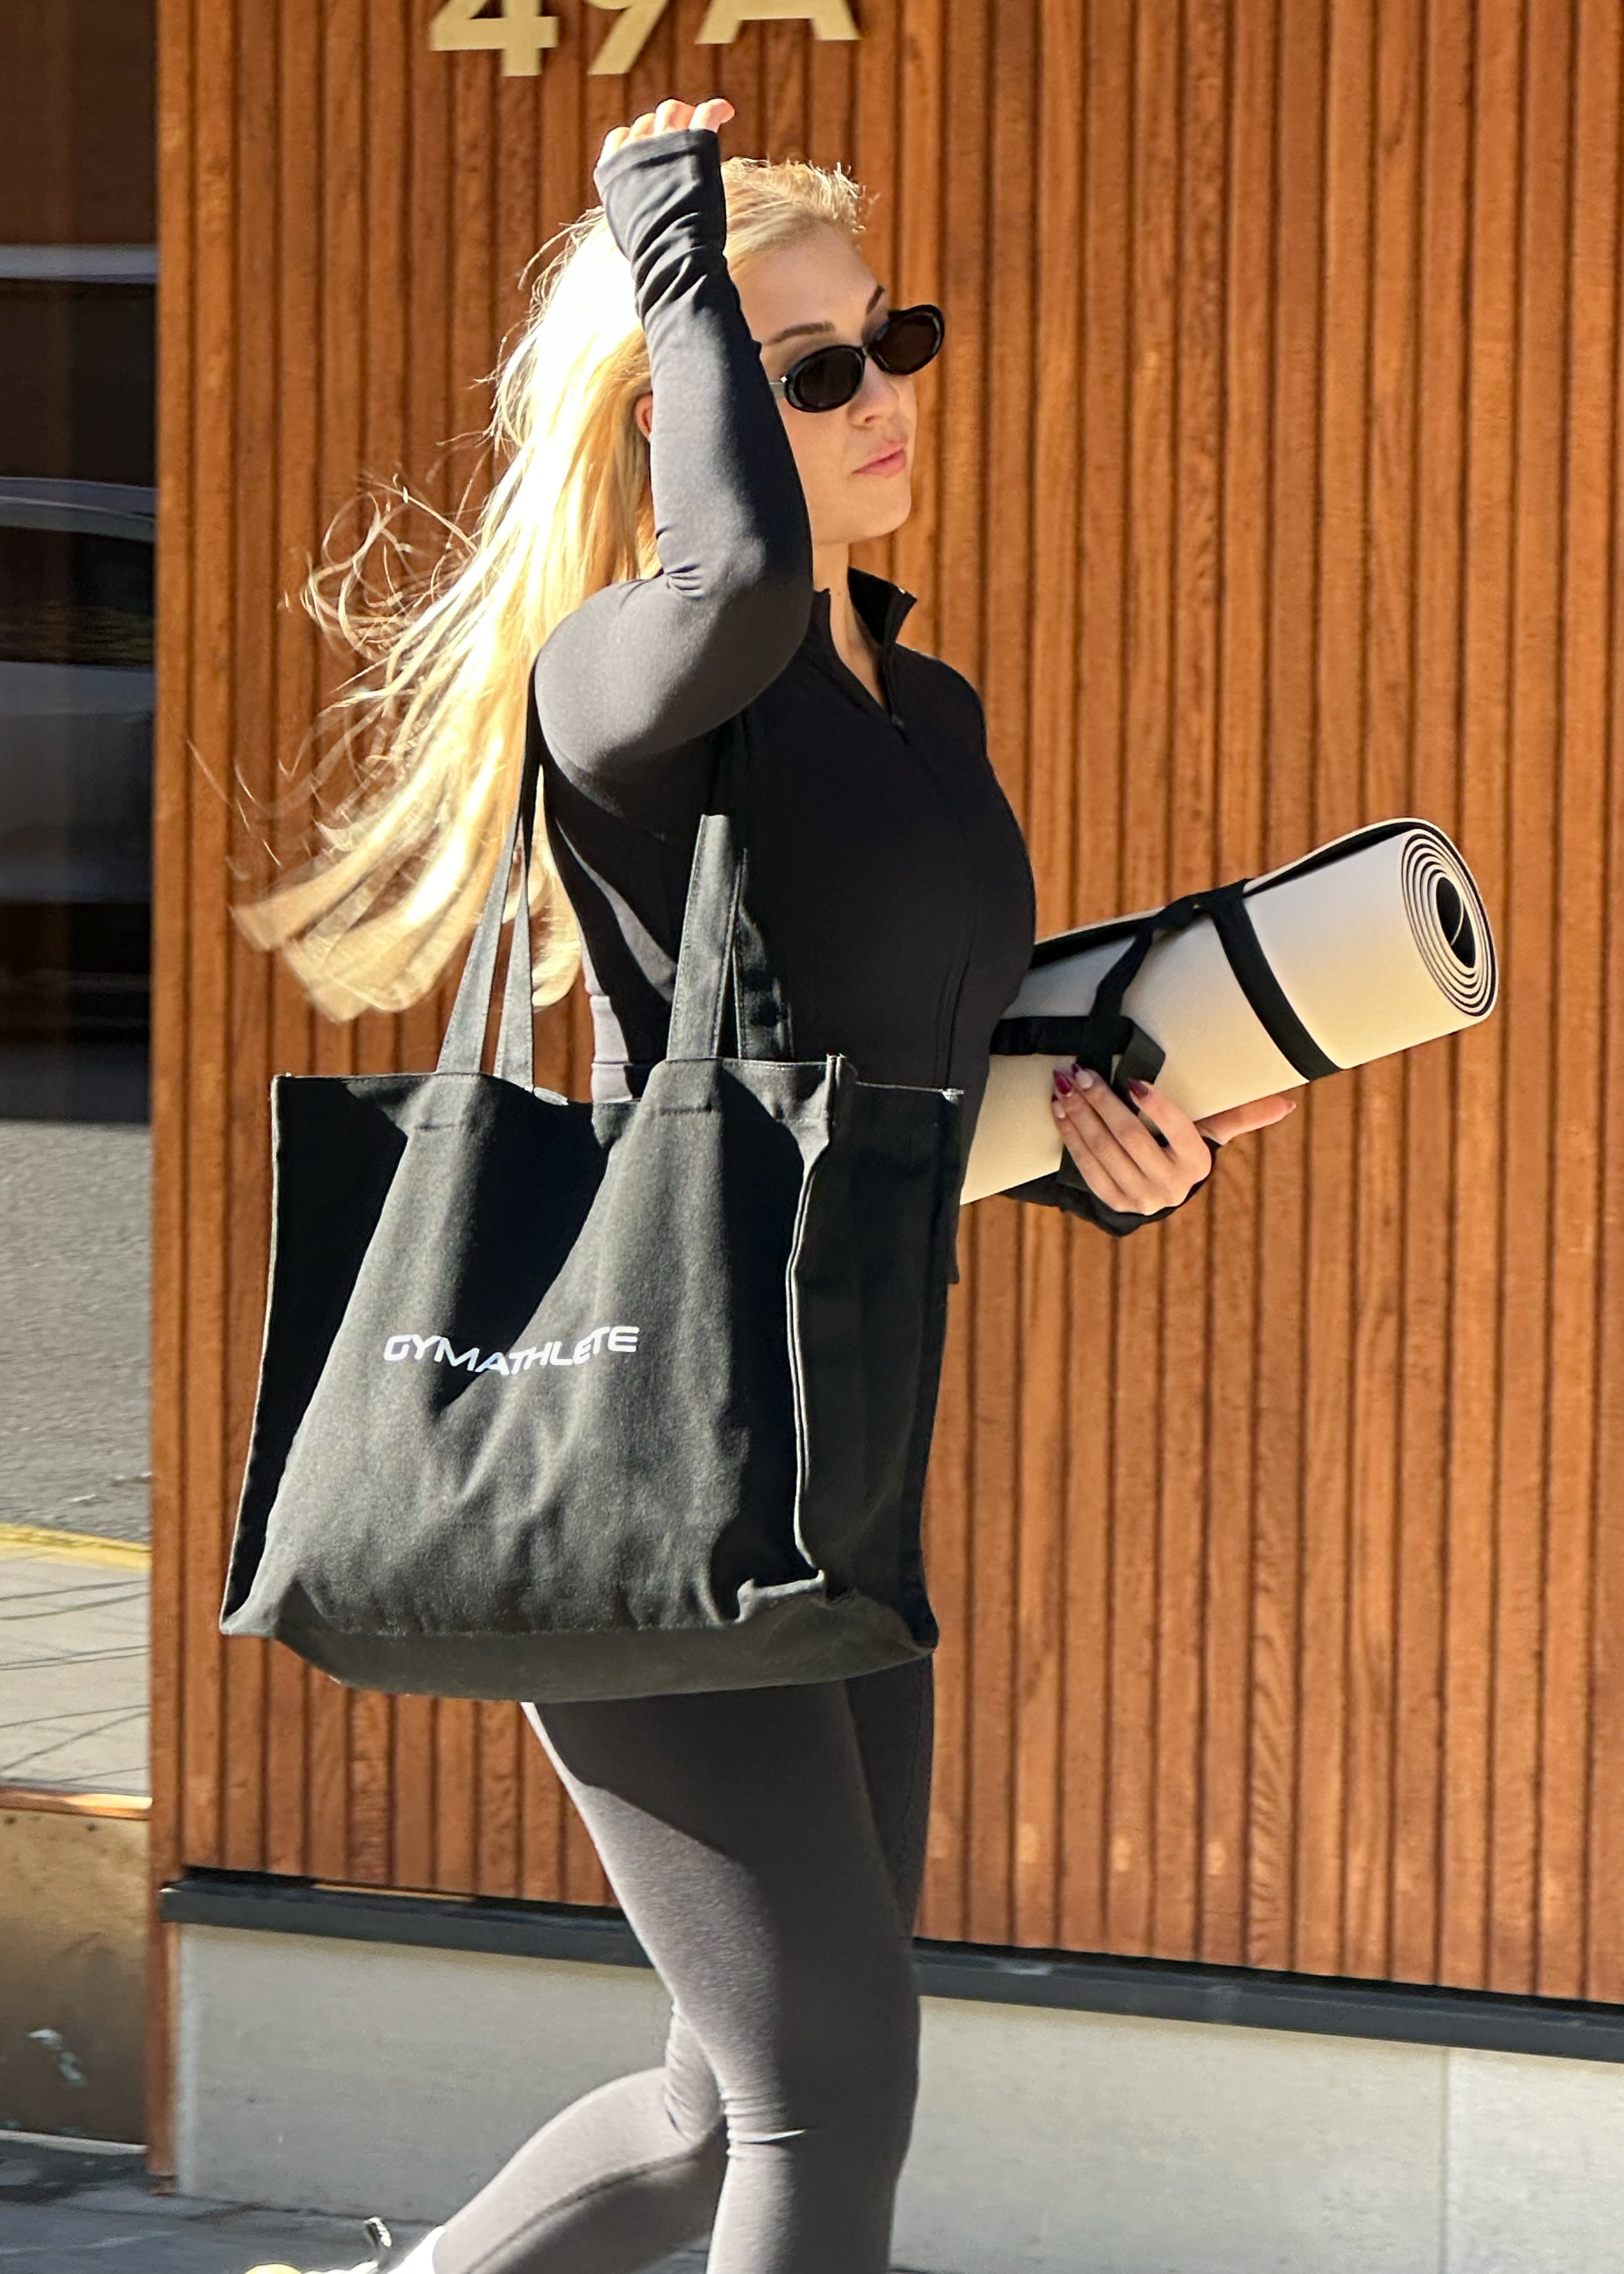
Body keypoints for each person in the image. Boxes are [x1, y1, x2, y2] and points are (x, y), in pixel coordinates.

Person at [242, 94, 1294, 2274]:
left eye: (887, 341)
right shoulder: (632, 680)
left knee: (724, 2107)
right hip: (643, 1434)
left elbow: (900, 1089)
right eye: (810, 370)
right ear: (684, 403)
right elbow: (731, 570)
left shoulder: (927, 706)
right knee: (834, 2102)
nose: (882, 395)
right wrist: (665, 231)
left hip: (831, 1452)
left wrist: (1119, 1159)